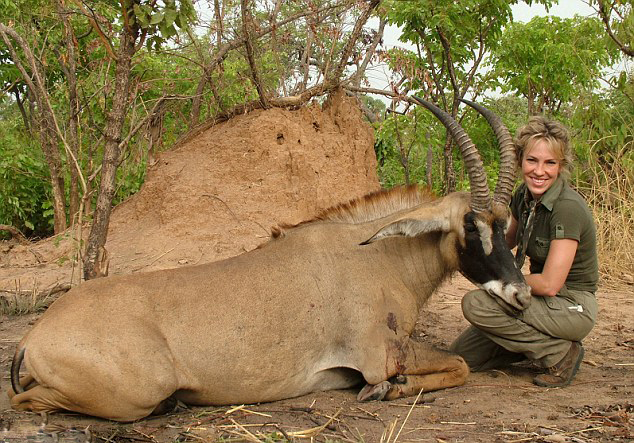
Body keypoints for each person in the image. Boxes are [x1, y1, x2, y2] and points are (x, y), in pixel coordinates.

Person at [450, 116, 599, 388]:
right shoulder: (524, 196)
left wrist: (499, 283)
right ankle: (531, 343)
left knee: (477, 304)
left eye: (549, 163)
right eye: (532, 161)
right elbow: (503, 245)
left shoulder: (567, 207)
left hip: (571, 307)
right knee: (461, 357)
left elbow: (551, 284)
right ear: (520, 161)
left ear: (561, 166)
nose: (539, 171)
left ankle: (559, 353)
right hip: (537, 305)